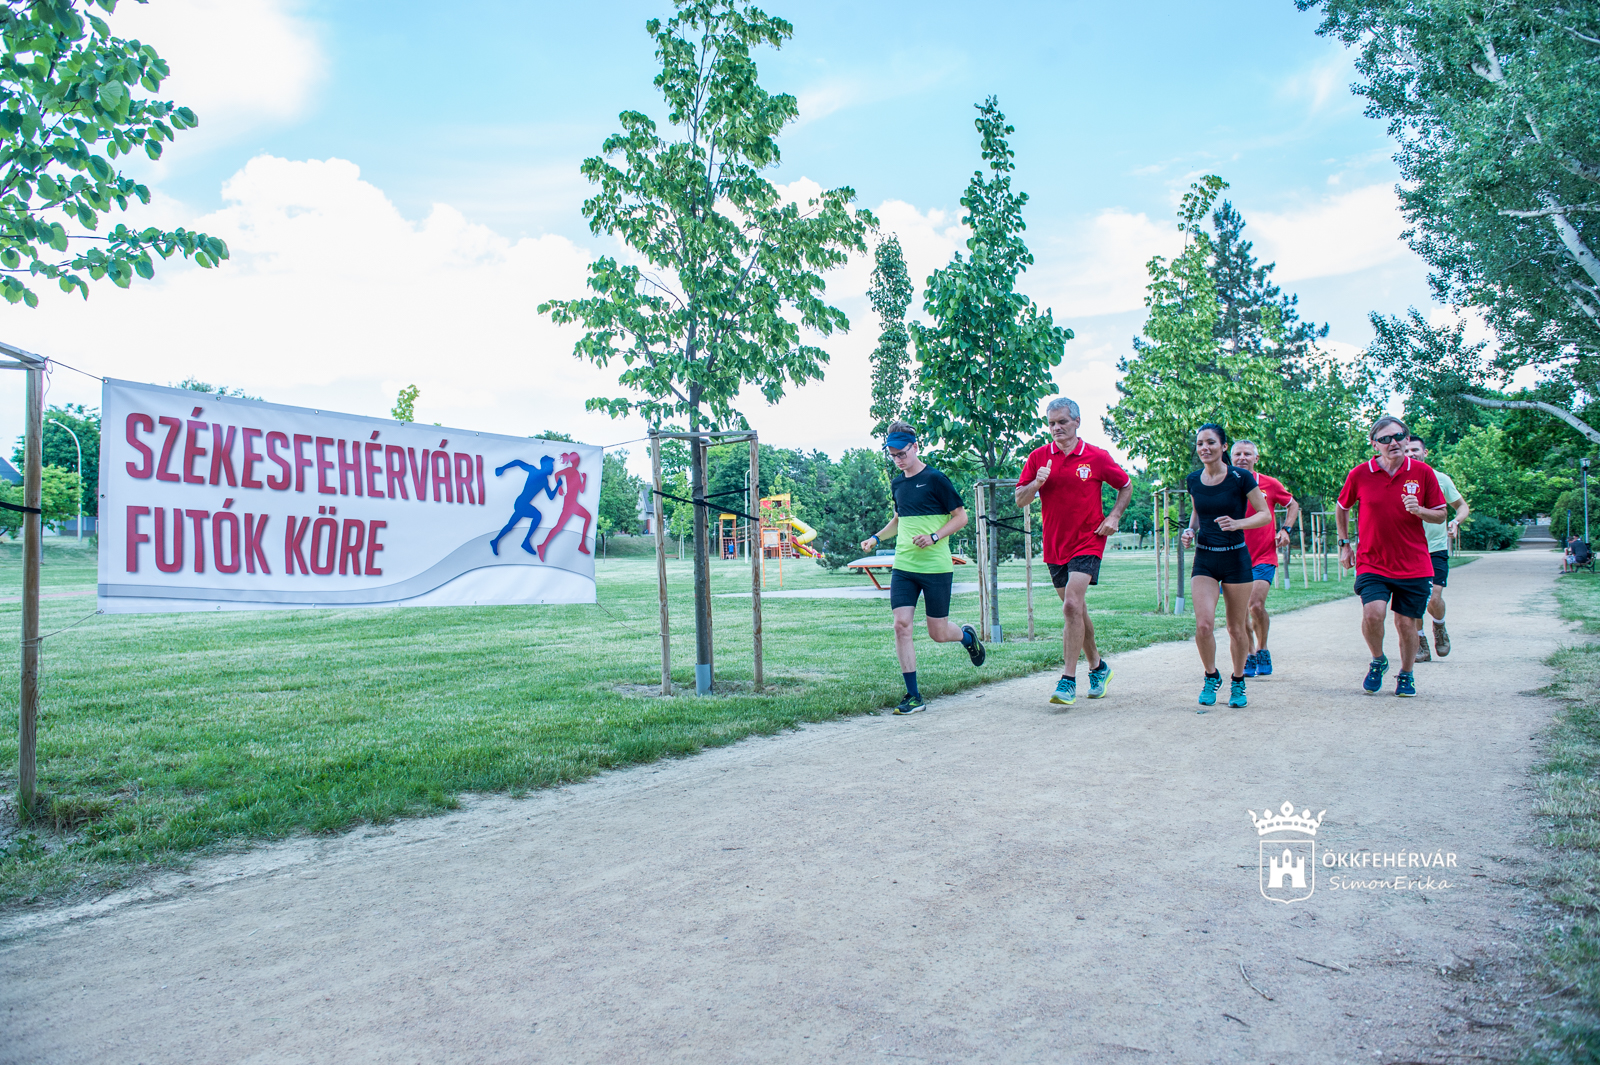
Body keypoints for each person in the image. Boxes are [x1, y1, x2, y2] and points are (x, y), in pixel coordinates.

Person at [861, 421, 986, 715]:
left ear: (915, 447)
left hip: (935, 568)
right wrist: (876, 537)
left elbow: (961, 517)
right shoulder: (898, 483)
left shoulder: (936, 479)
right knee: (901, 625)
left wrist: (934, 537)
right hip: (904, 566)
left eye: (902, 453)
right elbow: (898, 519)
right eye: (892, 456)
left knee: (938, 633)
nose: (898, 460)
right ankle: (913, 695)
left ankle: (967, 637)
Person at [1014, 396, 1133, 706]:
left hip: (1089, 539)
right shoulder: (1039, 457)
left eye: (1062, 422)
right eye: (1051, 423)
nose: (1056, 428)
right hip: (1055, 545)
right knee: (1076, 609)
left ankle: (1067, 681)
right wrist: (1036, 484)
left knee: (1071, 605)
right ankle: (1098, 667)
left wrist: (1115, 516)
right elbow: (1020, 499)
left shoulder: (1095, 456)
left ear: (1077, 422)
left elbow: (1126, 485)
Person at [1335, 416, 1449, 698]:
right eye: (1385, 439)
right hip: (1372, 560)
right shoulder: (1361, 473)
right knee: (1373, 613)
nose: (1393, 442)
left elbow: (1442, 513)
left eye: (1398, 436)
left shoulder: (1423, 473)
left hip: (1413, 563)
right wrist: (1345, 544)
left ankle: (1407, 674)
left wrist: (1420, 510)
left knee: (1405, 623)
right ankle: (1378, 660)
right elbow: (1342, 507)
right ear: (1375, 444)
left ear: (1407, 439)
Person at [1180, 423, 1274, 710]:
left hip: (1236, 559)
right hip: (1205, 559)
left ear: (1223, 447)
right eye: (1199, 443)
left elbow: (1265, 515)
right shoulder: (1193, 480)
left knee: (1236, 628)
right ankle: (1211, 676)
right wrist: (1189, 531)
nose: (1204, 448)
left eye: (1210, 442)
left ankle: (1237, 681)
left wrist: (1238, 524)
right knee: (1204, 626)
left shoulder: (1240, 477)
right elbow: (1197, 512)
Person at [1228, 440, 1299, 679]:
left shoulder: (1268, 483)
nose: (1242, 458)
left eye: (1248, 454)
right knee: (1239, 613)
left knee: (1255, 605)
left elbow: (1292, 505)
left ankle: (1263, 649)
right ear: (1231, 457)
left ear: (1256, 458)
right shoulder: (1223, 482)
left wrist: (1286, 529)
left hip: (1263, 555)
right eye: (1237, 454)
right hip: (1233, 557)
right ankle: (1249, 653)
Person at [1401, 435, 1469, 661]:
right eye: (1407, 450)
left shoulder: (1440, 479)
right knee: (1415, 600)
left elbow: (1461, 506)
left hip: (1435, 548)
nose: (1411, 454)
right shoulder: (1395, 479)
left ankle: (1439, 627)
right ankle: (1420, 641)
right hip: (1408, 548)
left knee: (1433, 598)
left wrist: (1456, 521)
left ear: (1425, 452)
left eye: (1415, 450)